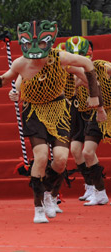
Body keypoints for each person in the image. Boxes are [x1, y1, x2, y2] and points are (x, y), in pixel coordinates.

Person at [0, 20, 106, 223]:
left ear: (49, 42)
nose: (37, 48)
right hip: (34, 111)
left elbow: (87, 65)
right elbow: (6, 78)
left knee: (60, 160)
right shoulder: (21, 63)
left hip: (59, 110)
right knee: (41, 156)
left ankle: (48, 191)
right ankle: (39, 207)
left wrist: (95, 97)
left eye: (42, 44)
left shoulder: (61, 58)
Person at [65, 37, 110, 206]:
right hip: (84, 113)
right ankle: (94, 189)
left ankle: (98, 190)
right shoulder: (71, 70)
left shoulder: (99, 66)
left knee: (87, 152)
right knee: (80, 151)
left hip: (103, 110)